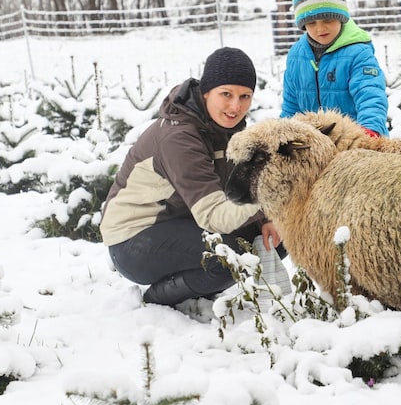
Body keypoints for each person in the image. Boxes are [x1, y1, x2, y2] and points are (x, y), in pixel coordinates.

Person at [100, 47, 284, 306]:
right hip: (134, 241)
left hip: (183, 221)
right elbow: (213, 215)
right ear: (206, 92)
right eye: (226, 94)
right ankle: (158, 299)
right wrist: (266, 202)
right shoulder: (180, 138)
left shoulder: (225, 126)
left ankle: (198, 286)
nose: (236, 106)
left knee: (275, 238)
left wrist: (268, 218)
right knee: (230, 256)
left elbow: (242, 187)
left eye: (245, 96)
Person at [281, 0, 389, 137]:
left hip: (354, 141)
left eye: (328, 20)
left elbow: (370, 95)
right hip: (313, 148)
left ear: (340, 17)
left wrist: (369, 131)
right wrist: (283, 135)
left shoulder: (358, 52)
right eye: (311, 22)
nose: (320, 28)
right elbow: (291, 105)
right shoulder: (296, 56)